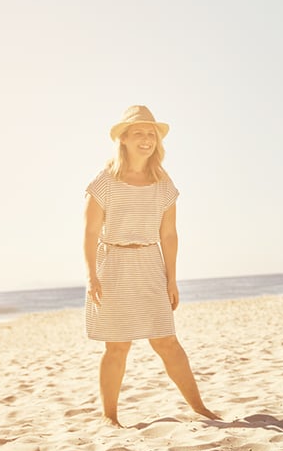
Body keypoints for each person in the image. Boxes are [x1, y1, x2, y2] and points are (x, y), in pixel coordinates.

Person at [84, 105, 219, 427]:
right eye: (139, 133)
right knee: (116, 346)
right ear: (125, 139)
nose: (146, 139)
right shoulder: (105, 181)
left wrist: (172, 280)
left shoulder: (163, 184)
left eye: (151, 134)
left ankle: (200, 408)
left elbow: (169, 235)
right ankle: (110, 417)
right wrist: (92, 276)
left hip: (149, 263)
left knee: (166, 341)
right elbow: (90, 232)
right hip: (113, 264)